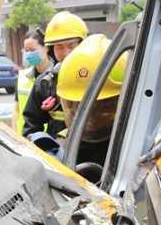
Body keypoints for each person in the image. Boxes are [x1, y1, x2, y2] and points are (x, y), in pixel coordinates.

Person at [56, 33, 126, 167]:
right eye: (73, 105)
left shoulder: (131, 147)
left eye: (103, 107)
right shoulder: (63, 148)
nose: (89, 119)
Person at [21, 11, 88, 139]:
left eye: (71, 45)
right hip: (57, 155)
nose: (66, 52)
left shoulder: (98, 78)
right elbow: (31, 126)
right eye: (59, 47)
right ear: (52, 49)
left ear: (82, 44)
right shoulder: (45, 83)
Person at [13, 30, 50, 134]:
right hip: (25, 139)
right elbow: (16, 110)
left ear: (46, 48)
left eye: (33, 50)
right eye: (27, 50)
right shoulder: (22, 76)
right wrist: (15, 133)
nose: (29, 54)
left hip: (48, 139)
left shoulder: (56, 76)